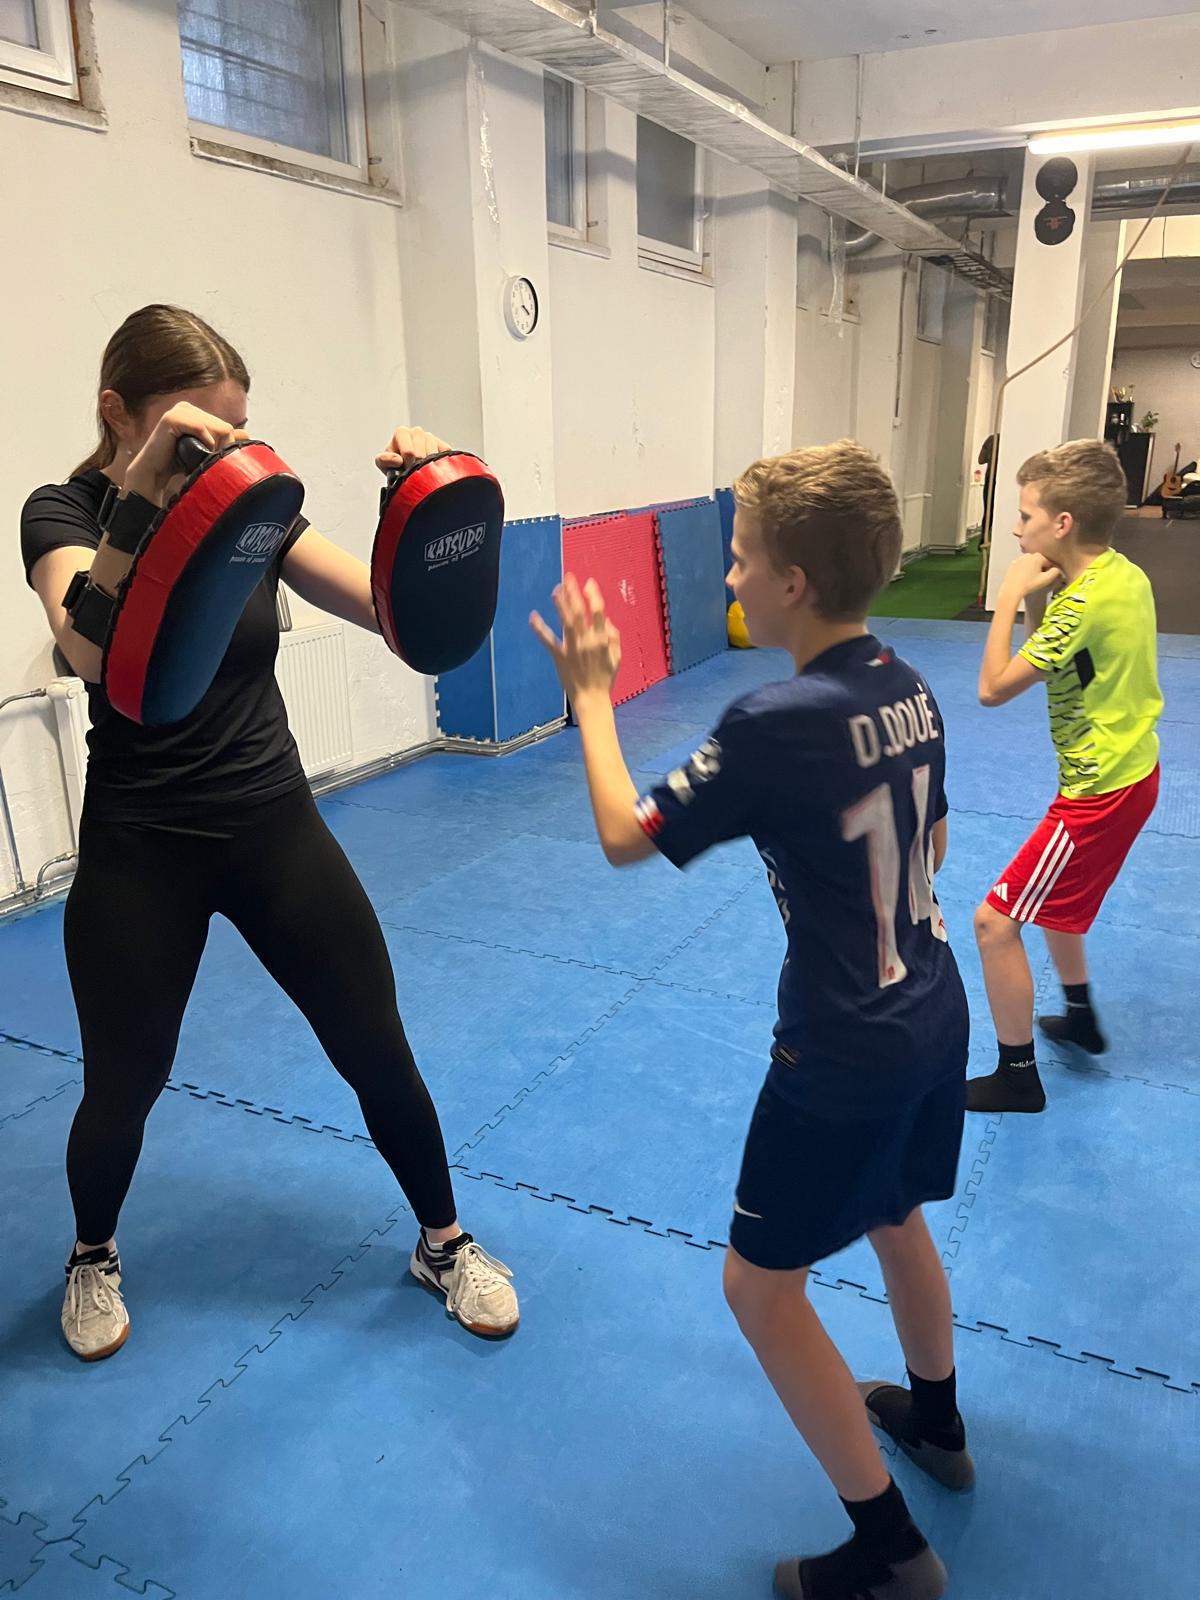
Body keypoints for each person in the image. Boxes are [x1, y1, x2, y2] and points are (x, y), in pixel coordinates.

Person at [20, 304, 519, 1359]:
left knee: (375, 1044)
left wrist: (420, 504)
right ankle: (92, 1254)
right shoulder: (62, 511)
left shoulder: (251, 510)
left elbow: (391, 612)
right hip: (141, 844)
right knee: (123, 1083)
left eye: (234, 430)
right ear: (119, 413)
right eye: (194, 432)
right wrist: (142, 500)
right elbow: (89, 654)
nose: (220, 452)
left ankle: (443, 1242)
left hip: (270, 824)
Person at [532, 442, 972, 1600]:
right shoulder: (909, 681)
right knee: (896, 1211)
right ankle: (938, 1422)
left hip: (844, 1051)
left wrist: (592, 696)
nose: (727, 578)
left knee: (759, 1287)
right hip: (933, 1008)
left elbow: (625, 834)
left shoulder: (776, 719)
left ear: (794, 583)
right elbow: (932, 843)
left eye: (740, 559)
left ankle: (890, 1553)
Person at [968, 438, 1162, 1114]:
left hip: (1098, 793)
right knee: (1055, 900)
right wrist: (1035, 600)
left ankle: (1017, 1077)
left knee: (994, 923)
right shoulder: (1121, 575)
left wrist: (1006, 596)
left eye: (1025, 516)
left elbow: (993, 688)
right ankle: (1079, 1015)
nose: (1016, 530)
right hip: (1130, 773)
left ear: (1062, 523)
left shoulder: (1080, 607)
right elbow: (1052, 649)